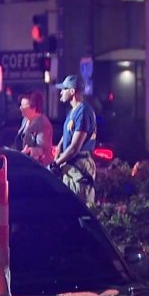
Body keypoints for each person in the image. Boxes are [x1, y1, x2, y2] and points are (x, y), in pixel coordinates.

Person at [52, 75, 97, 206]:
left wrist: (56, 163)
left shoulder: (83, 111)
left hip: (80, 166)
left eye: (64, 89)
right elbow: (68, 134)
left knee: (80, 208)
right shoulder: (73, 111)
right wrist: (59, 148)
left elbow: (75, 147)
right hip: (71, 165)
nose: (61, 92)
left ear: (72, 91)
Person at [16, 91, 54, 167]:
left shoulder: (43, 124)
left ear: (34, 108)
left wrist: (30, 151)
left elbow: (44, 149)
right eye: (20, 105)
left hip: (38, 167)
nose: (20, 108)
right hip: (26, 164)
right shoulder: (25, 120)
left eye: (23, 106)